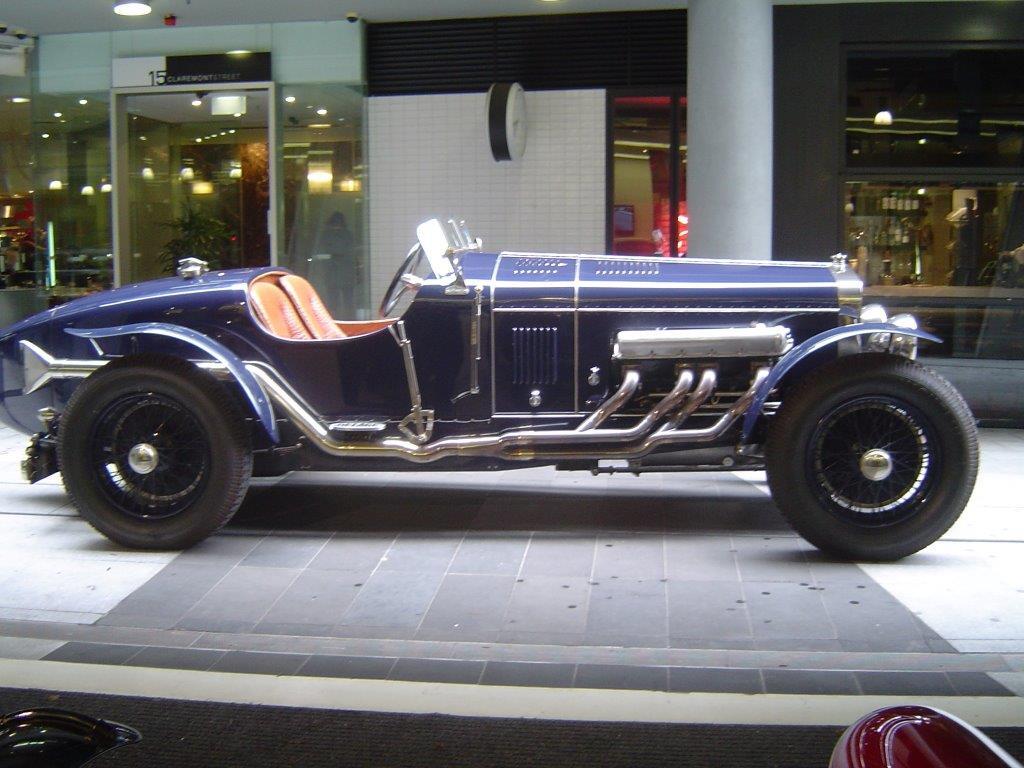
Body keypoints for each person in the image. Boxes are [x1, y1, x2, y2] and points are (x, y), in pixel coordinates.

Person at [311, 211, 355, 316]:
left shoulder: (326, 235)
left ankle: (334, 318)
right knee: (348, 299)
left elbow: (322, 250)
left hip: (332, 271)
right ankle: (349, 318)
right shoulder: (348, 234)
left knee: (333, 299)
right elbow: (350, 250)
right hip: (346, 271)